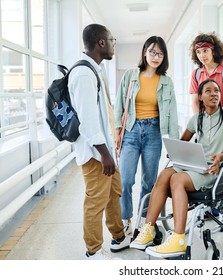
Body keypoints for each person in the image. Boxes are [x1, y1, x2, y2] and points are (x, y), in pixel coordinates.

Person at [129, 79, 223, 258]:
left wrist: (222, 156)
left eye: (217, 90)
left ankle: (178, 240)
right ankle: (148, 229)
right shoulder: (197, 119)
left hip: (214, 172)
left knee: (176, 179)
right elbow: (183, 142)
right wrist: (177, 152)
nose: (214, 94)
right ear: (200, 97)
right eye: (208, 91)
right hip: (195, 166)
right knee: (164, 175)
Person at [68, 24, 130, 260]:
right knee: (95, 201)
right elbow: (88, 121)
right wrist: (104, 153)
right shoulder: (83, 73)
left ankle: (119, 236)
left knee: (114, 192)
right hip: (96, 154)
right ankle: (93, 251)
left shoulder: (95, 70)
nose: (114, 44)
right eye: (112, 40)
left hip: (105, 150)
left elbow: (102, 114)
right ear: (101, 42)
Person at [114, 36, 179, 237]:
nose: (156, 57)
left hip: (154, 132)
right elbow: (119, 105)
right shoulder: (131, 75)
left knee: (149, 181)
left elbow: (173, 113)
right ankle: (126, 219)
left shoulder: (167, 82)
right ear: (144, 52)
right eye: (152, 51)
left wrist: (175, 146)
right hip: (131, 131)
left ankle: (144, 221)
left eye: (160, 53)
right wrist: (117, 130)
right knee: (125, 179)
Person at [189, 32, 223, 113]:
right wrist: (198, 121)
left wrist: (218, 122)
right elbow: (195, 102)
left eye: (205, 51)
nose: (202, 55)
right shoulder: (195, 74)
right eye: (198, 52)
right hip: (203, 120)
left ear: (213, 51)